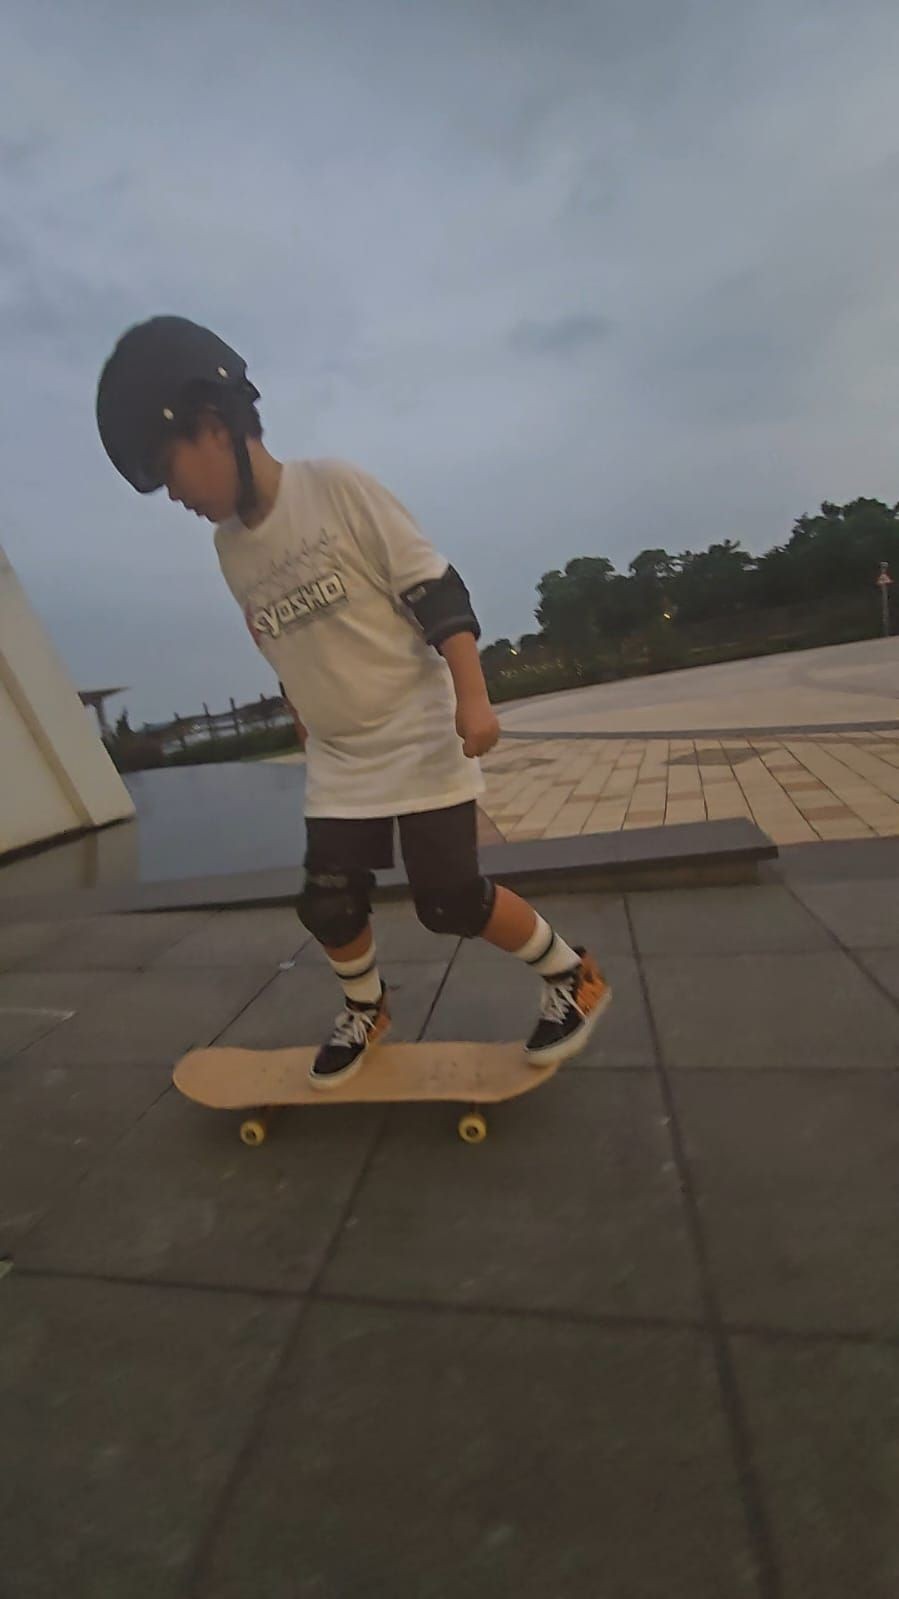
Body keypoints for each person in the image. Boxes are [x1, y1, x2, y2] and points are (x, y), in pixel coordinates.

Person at [96, 316, 612, 1085]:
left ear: (211, 428)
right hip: (341, 754)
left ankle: (572, 976)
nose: (173, 495)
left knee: (448, 900)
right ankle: (367, 1007)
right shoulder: (227, 548)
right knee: (329, 901)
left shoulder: (335, 489)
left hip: (418, 730)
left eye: (167, 472)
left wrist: (473, 697)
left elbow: (436, 589)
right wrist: (302, 711)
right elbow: (277, 635)